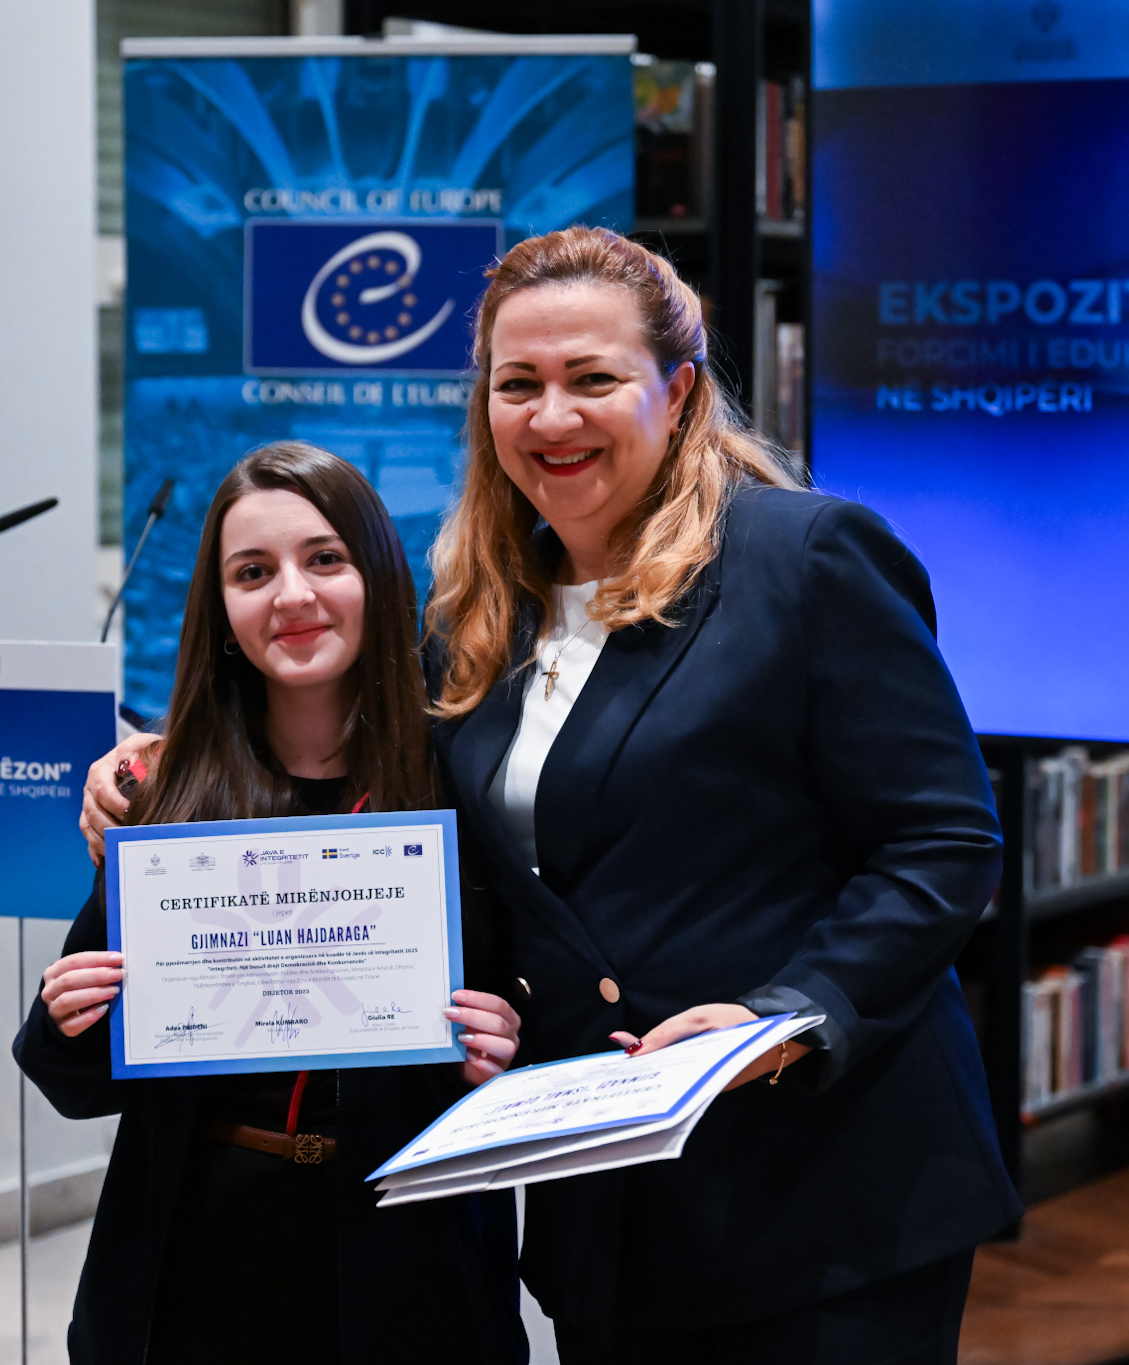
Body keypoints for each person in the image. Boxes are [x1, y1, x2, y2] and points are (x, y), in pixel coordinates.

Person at [421, 226, 1022, 1361]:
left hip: (823, 1194)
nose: (552, 416)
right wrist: (146, 779)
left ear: (680, 390)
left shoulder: (803, 559)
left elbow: (942, 841)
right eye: (519, 384)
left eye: (592, 378)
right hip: (609, 1208)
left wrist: (784, 1015)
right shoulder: (474, 617)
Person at [16, 442, 528, 1365]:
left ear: (378, 577)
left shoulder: (465, 779)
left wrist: (505, 1046)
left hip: (408, 1266)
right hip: (196, 1258)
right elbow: (74, 1081)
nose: (292, 595)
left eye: (324, 559)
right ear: (221, 609)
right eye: (252, 572)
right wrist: (68, 1016)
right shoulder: (169, 798)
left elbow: (530, 1015)